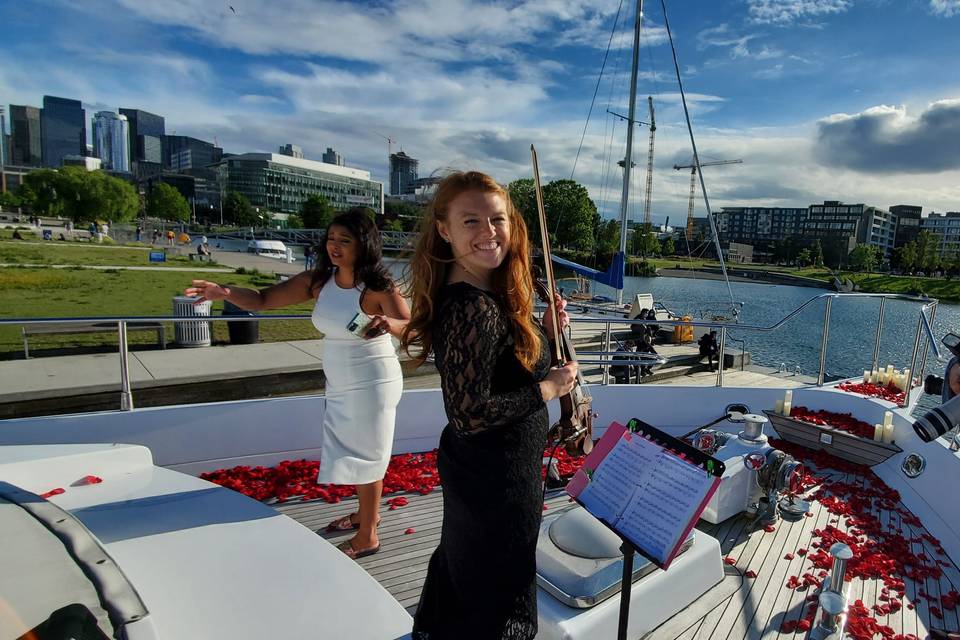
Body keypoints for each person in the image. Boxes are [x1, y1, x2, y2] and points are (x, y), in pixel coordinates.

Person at [400, 171, 577, 640]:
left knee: (470, 575)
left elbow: (503, 370)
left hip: (495, 471)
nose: (488, 232)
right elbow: (469, 414)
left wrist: (543, 326)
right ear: (444, 229)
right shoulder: (470, 307)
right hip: (494, 480)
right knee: (493, 587)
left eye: (497, 219)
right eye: (471, 220)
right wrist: (550, 389)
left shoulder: (486, 292)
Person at [185, 208, 409, 560]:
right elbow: (261, 299)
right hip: (340, 379)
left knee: (367, 455)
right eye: (331, 239)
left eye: (344, 241)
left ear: (363, 245)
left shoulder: (379, 287)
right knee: (350, 448)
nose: (334, 246)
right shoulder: (318, 282)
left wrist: (389, 324)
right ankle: (370, 514)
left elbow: (414, 328)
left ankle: (368, 534)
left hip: (373, 379)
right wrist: (223, 291)